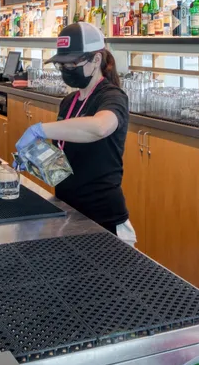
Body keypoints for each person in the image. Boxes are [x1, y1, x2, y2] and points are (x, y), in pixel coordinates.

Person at [16, 22, 135, 244]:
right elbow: (66, 163)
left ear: (96, 60)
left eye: (72, 64)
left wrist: (41, 129)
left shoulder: (112, 97)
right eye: (62, 65)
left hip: (104, 219)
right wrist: (36, 159)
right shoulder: (69, 101)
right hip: (68, 213)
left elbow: (100, 127)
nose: (66, 70)